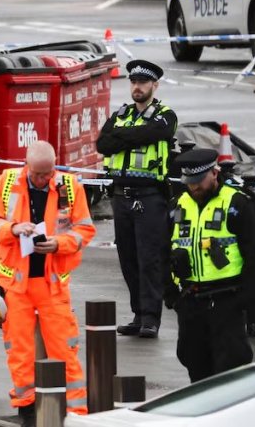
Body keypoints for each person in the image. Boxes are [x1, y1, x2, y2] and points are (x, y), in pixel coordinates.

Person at [0, 141, 96, 424]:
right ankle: (27, 408)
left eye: (49, 173)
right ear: (26, 166)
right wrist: (13, 229)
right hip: (15, 285)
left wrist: (59, 244)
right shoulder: (6, 184)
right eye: (39, 174)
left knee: (64, 348)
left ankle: (77, 412)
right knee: (19, 350)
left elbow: (85, 230)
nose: (45, 179)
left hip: (51, 283)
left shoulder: (69, 186)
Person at [96, 59, 178, 339]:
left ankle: (151, 318)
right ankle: (138, 313)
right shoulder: (120, 114)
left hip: (150, 196)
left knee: (150, 258)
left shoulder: (165, 115)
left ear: (154, 85)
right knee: (128, 258)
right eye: (133, 82)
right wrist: (132, 136)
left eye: (143, 83)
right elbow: (103, 144)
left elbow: (157, 132)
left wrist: (123, 136)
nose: (137, 87)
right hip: (121, 196)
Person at [164, 148, 255, 382]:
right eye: (189, 182)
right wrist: (172, 296)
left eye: (198, 181)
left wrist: (242, 301)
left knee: (230, 371)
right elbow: (161, 251)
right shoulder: (178, 205)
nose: (193, 187)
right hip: (190, 301)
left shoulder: (236, 204)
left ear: (214, 173)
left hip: (226, 301)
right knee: (194, 363)